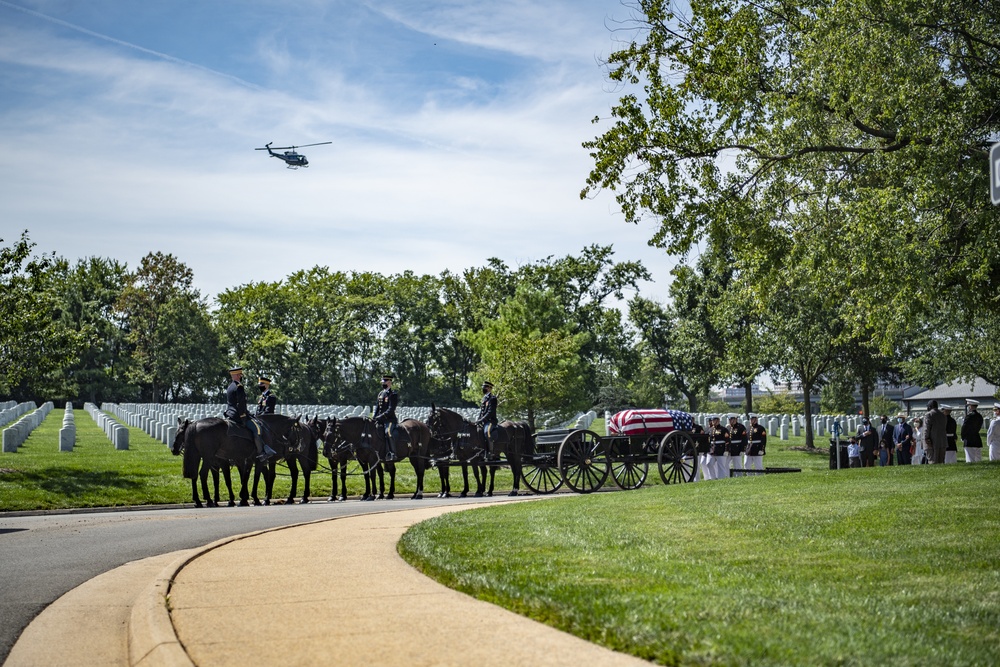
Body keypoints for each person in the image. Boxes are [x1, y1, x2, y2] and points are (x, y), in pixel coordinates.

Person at [224, 366, 274, 462]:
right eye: (240, 375)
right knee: (258, 429)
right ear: (239, 375)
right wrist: (243, 417)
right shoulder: (239, 387)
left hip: (230, 414)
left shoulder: (230, 386)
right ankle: (261, 454)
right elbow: (241, 404)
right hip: (238, 415)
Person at [373, 374, 399, 461]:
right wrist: (374, 417)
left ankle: (392, 453)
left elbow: (391, 409)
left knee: (388, 432)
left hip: (389, 419)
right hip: (380, 419)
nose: (383, 383)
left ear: (389, 382)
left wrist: (381, 417)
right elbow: (377, 407)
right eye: (383, 381)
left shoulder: (393, 394)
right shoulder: (381, 393)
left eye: (384, 382)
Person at [475, 381, 498, 456]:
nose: (483, 389)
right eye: (483, 387)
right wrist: (477, 421)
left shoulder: (492, 398)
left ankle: (490, 452)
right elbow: (481, 412)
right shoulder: (484, 398)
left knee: (486, 432)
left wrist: (481, 420)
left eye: (485, 387)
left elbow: (490, 412)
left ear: (489, 388)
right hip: (483, 421)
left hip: (490, 421)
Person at [923, 400, 947, 464]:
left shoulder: (929, 415)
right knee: (941, 461)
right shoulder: (943, 415)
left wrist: (926, 439)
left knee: (932, 461)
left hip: (932, 442)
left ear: (930, 407)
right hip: (942, 441)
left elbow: (926, 428)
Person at [961, 399, 984, 463]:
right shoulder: (979, 416)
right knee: (978, 458)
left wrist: (963, 436)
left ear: (970, 406)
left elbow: (964, 427)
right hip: (977, 438)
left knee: (970, 459)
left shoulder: (969, 416)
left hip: (969, 439)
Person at [707, 416, 729, 481]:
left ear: (718, 421)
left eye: (715, 420)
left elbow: (727, 441)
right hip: (712, 450)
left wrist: (726, 450)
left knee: (721, 466)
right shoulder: (711, 429)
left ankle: (721, 479)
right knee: (709, 463)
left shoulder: (723, 429)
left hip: (721, 450)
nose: (714, 422)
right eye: (713, 420)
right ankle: (713, 478)